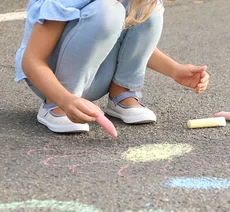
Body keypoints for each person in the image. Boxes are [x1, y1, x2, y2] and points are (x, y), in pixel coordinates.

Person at [15, 0, 210, 133]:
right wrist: (65, 99)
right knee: (108, 11)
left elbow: (126, 43)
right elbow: (32, 60)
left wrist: (175, 70)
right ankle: (54, 106)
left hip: (95, 74)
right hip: (51, 81)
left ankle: (122, 94)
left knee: (149, 7)